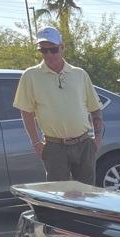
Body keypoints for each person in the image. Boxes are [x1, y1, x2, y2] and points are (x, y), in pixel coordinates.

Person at [13, 27, 104, 185]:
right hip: (54, 147)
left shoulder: (80, 74)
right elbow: (26, 111)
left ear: (62, 48)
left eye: (53, 49)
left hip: (84, 145)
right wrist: (36, 143)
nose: (48, 54)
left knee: (87, 198)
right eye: (43, 50)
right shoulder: (31, 76)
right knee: (59, 198)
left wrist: (96, 140)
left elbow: (95, 108)